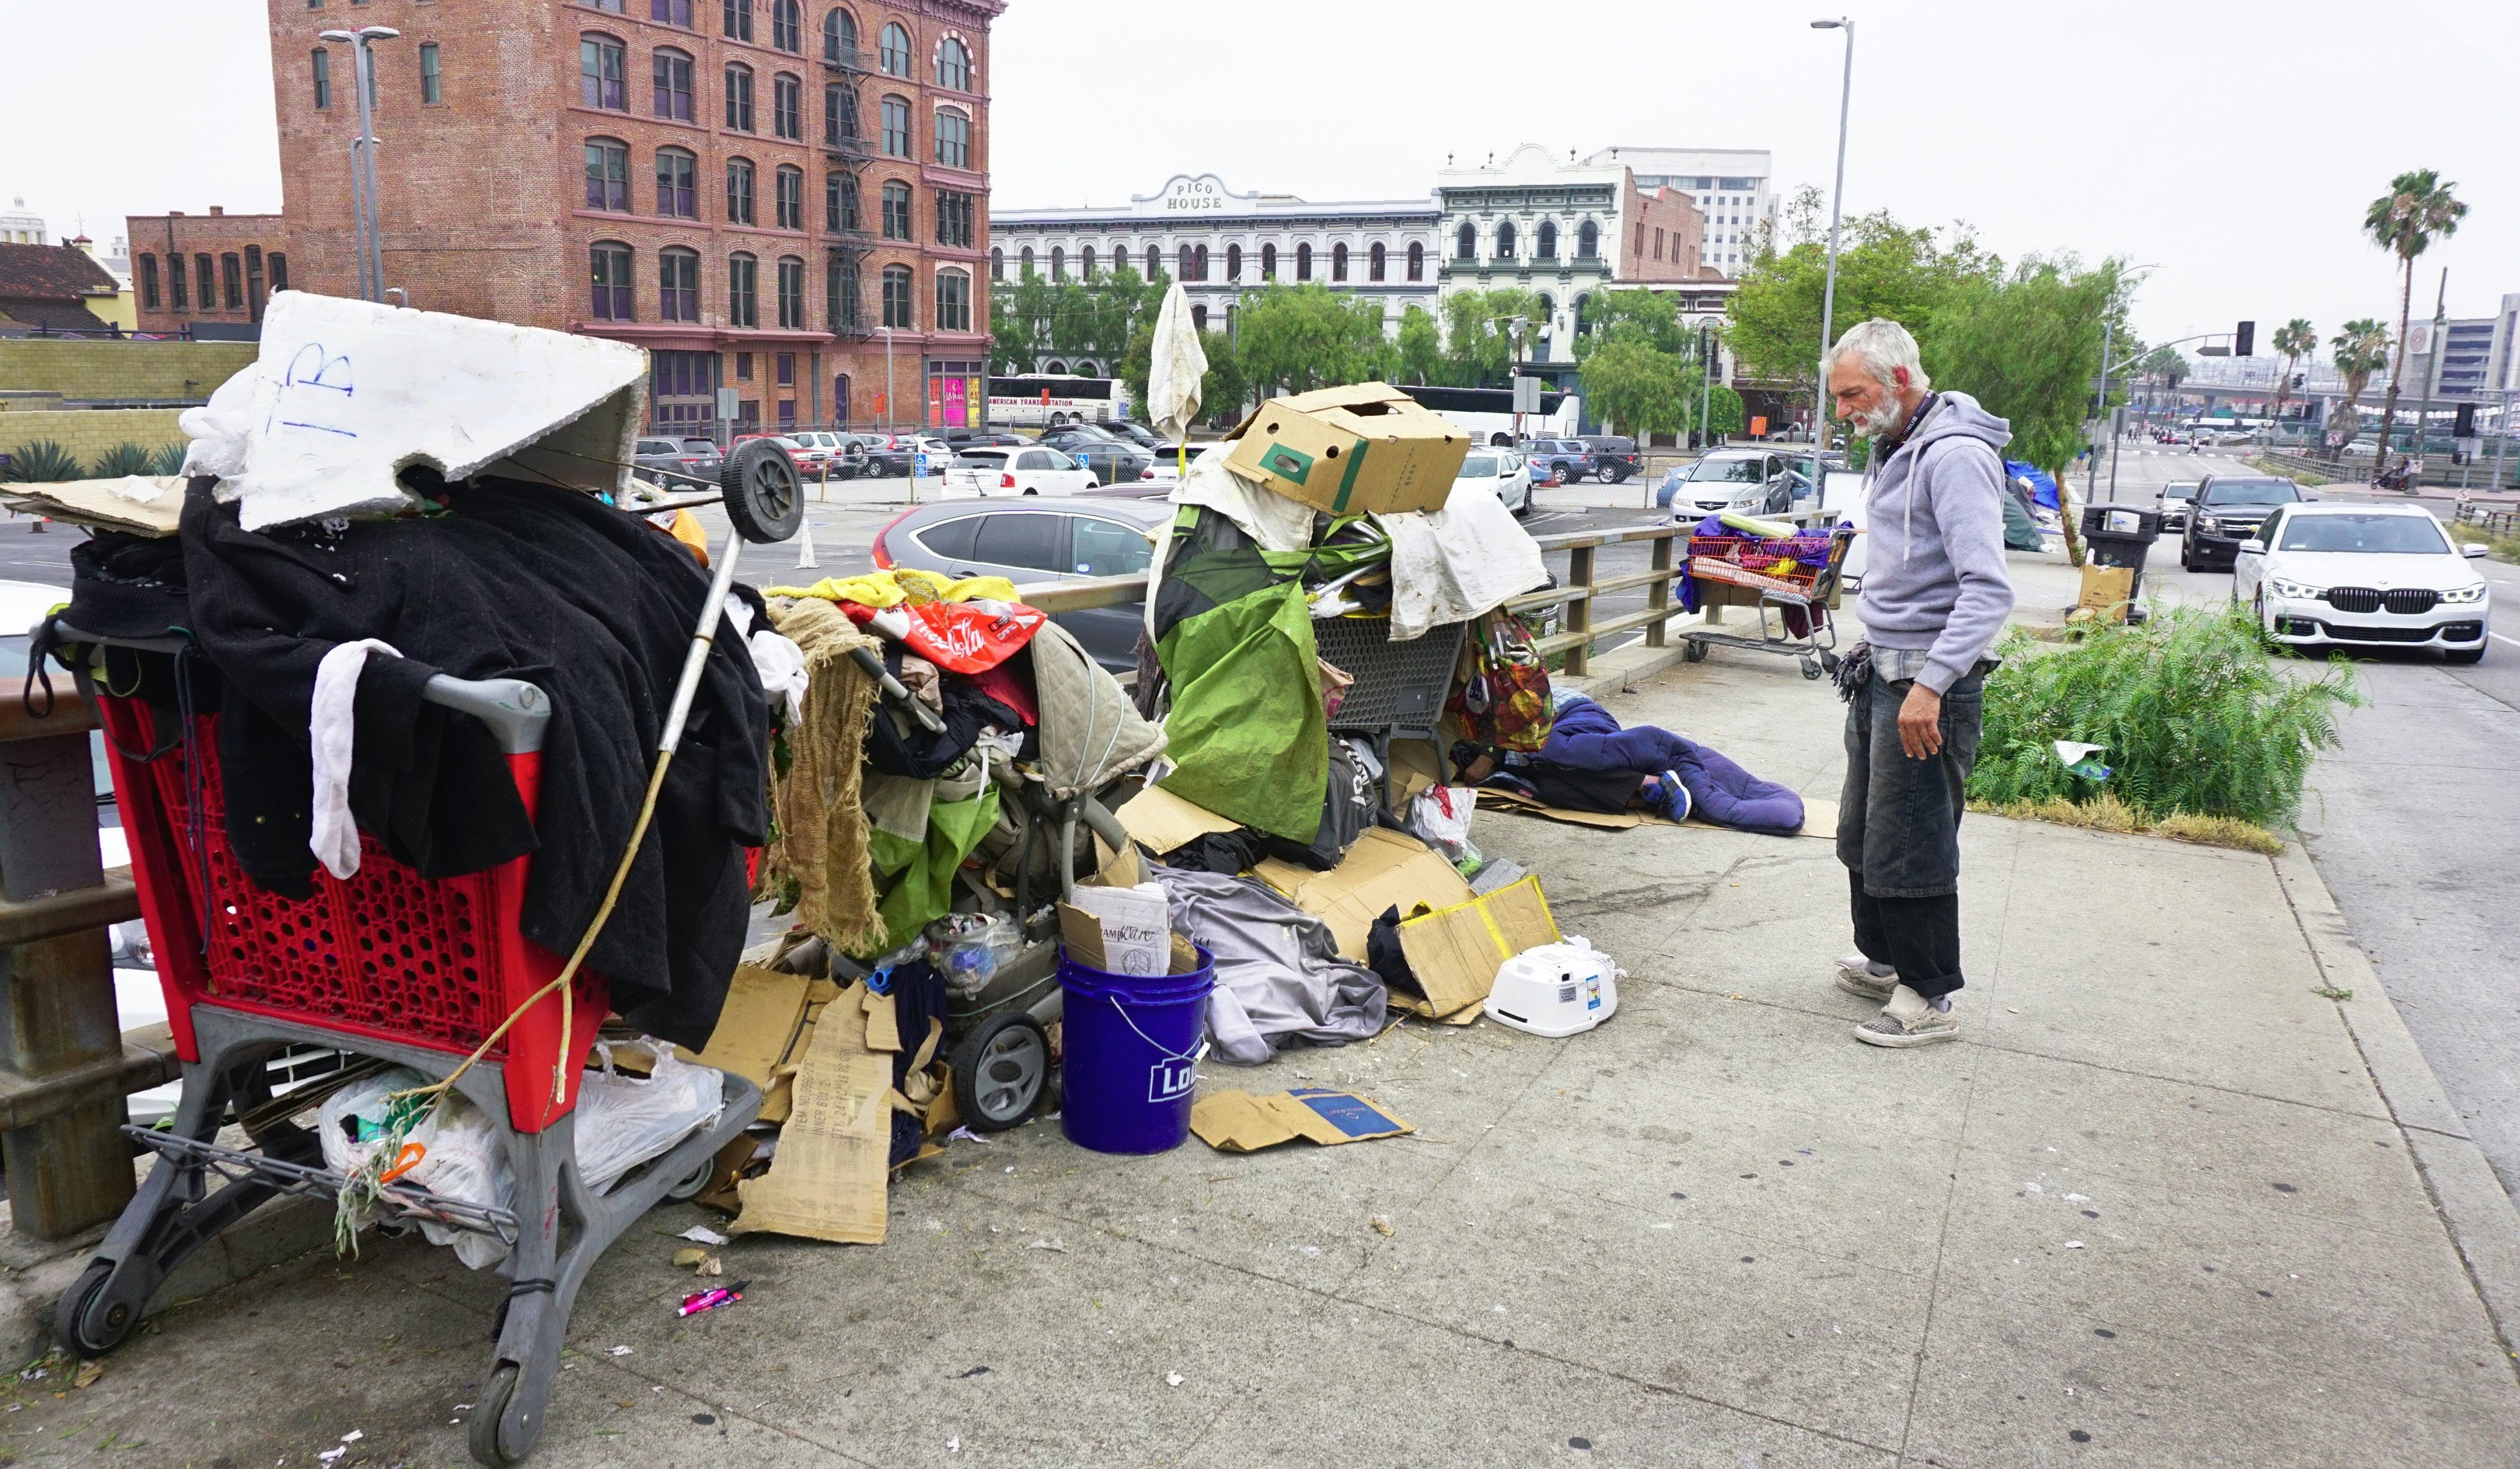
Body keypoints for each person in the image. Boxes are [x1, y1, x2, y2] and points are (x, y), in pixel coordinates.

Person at [1822, 320, 2014, 1047]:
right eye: (1839, 397)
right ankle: (1884, 958)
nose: (1844, 410)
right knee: (1863, 830)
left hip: (1926, 686)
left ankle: (1927, 993)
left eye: (1854, 394)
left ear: (1898, 379)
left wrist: (1932, 686)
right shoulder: (1896, 442)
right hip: (1883, 669)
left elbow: (1987, 590)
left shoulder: (1955, 455)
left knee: (1914, 840)